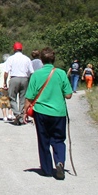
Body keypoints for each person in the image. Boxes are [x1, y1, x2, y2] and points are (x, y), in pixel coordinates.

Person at [25, 47, 73, 180]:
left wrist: (25, 112)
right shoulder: (61, 73)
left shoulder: (36, 75)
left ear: (41, 60)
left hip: (41, 112)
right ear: (54, 59)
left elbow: (29, 97)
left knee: (43, 140)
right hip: (58, 112)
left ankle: (46, 169)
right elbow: (68, 95)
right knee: (58, 139)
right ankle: (59, 162)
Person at [5, 42, 33, 125]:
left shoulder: (11, 58)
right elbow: (32, 72)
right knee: (23, 99)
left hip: (14, 78)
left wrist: (4, 82)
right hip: (24, 79)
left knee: (11, 97)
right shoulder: (27, 58)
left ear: (14, 49)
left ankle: (17, 114)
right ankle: (21, 115)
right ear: (22, 49)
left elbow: (6, 72)